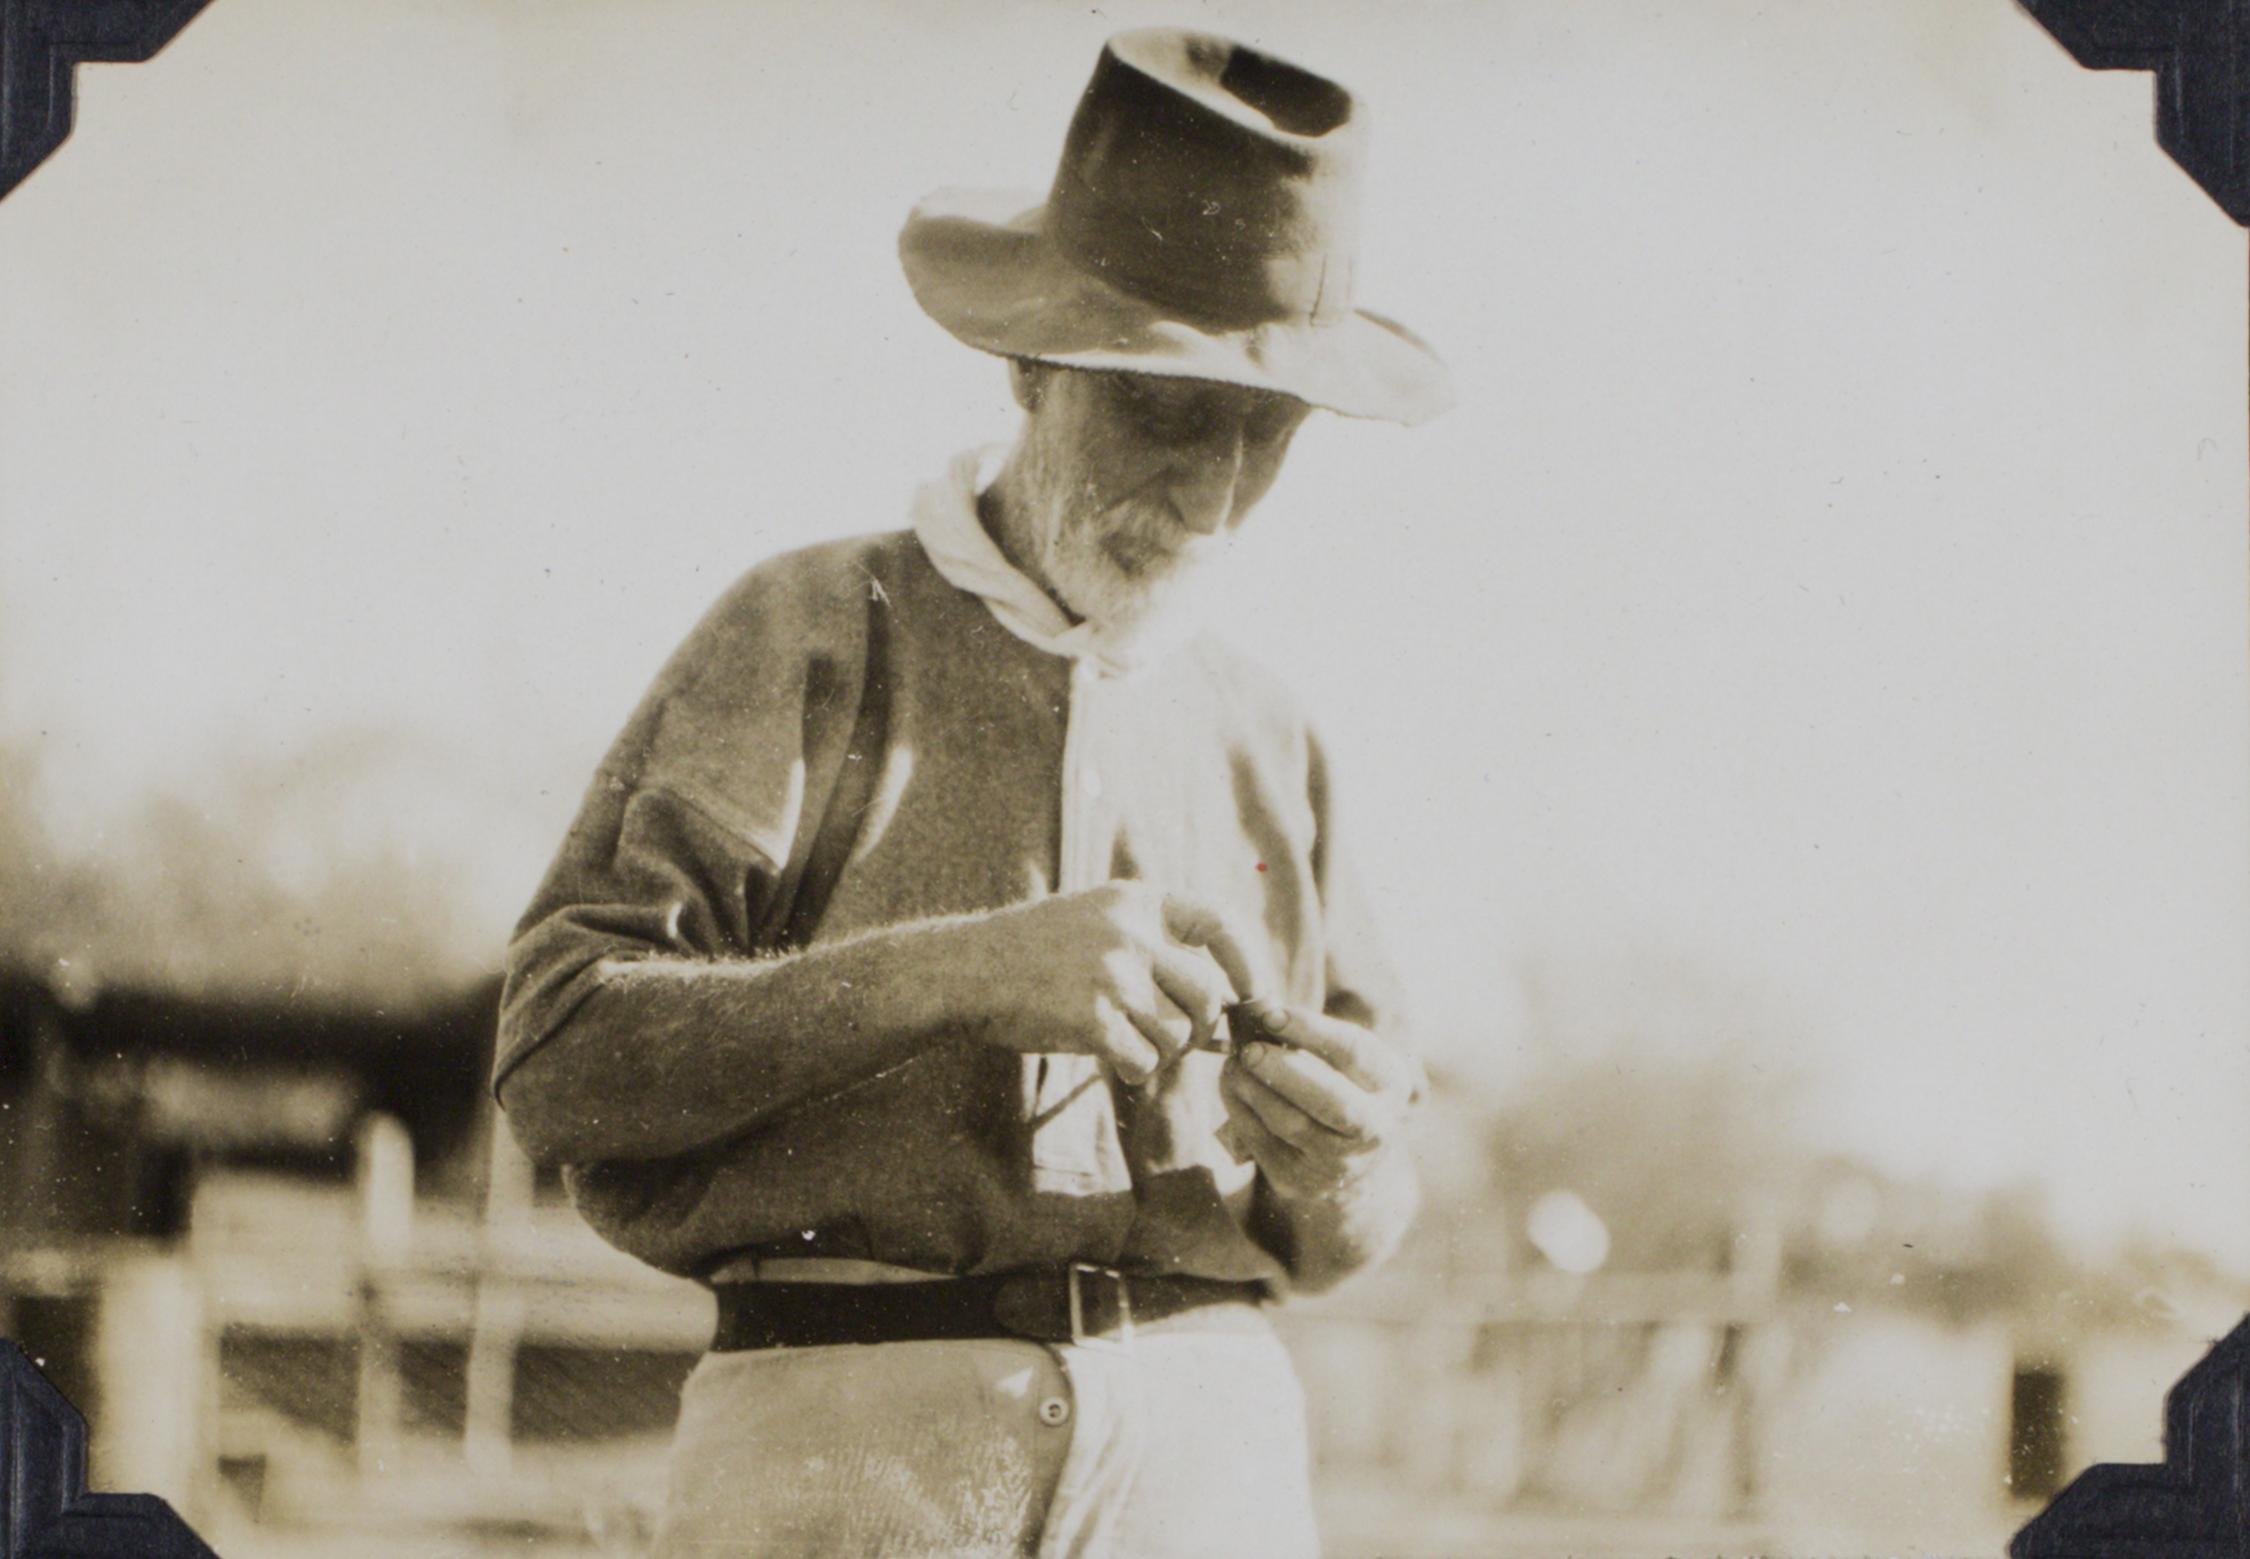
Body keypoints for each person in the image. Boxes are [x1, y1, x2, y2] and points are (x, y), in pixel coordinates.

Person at [494, 27, 1453, 1557]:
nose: (1208, 496)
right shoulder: (809, 631)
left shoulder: (1273, 733)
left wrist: (1340, 1166)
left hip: (1208, 1471)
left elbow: (1346, 1239)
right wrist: (961, 973)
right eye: (1159, 408)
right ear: (1027, 357)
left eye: (1262, 430)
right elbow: (557, 1058)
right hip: (851, 1465)